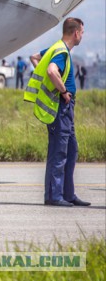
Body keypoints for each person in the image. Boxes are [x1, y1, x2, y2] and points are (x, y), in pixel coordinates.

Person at [24, 17, 90, 207]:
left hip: (67, 108)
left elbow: (35, 57)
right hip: (61, 106)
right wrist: (61, 90)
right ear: (76, 32)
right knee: (59, 151)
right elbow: (52, 71)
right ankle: (54, 196)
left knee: (70, 149)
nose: (82, 36)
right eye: (82, 33)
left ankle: (68, 194)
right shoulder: (61, 52)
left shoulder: (57, 48)